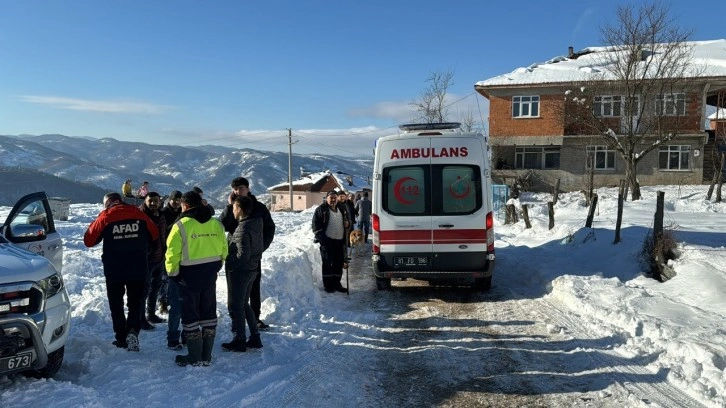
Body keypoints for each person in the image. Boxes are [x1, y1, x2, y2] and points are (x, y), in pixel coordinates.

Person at [83, 192, 159, 351]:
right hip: (138, 267)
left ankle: (121, 337)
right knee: (135, 303)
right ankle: (133, 331)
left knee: (116, 304)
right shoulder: (138, 213)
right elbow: (155, 234)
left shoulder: (106, 216)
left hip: (114, 269)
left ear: (107, 204)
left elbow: (89, 240)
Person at [165, 190, 227, 366]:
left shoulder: (181, 226)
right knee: (208, 313)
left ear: (184, 205)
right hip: (210, 275)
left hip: (188, 277)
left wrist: (173, 275)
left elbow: (171, 254)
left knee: (190, 314)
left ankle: (193, 356)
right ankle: (206, 355)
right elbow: (224, 249)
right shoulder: (216, 224)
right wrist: (216, 266)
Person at [219, 177, 276, 330]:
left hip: (253, 256)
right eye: (235, 189)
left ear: (248, 189)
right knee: (234, 291)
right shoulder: (232, 207)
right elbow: (221, 226)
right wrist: (228, 207)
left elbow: (270, 229)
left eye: (241, 188)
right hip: (235, 255)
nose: (238, 191)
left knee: (253, 289)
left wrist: (260, 247)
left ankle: (255, 319)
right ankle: (236, 322)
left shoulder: (259, 207)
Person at [221, 196, 264, 352]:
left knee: (237, 306)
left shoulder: (242, 228)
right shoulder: (256, 223)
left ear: (238, 209)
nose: (232, 210)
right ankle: (255, 336)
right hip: (253, 268)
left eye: (233, 207)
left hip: (241, 271)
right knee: (245, 304)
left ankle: (240, 339)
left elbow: (243, 255)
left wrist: (230, 262)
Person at [138, 192, 167, 330]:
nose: (154, 203)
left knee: (155, 288)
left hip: (159, 258)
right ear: (145, 200)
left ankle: (151, 314)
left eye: (156, 201)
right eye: (151, 201)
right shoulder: (140, 215)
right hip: (146, 260)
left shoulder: (160, 215)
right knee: (143, 290)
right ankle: (140, 318)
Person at [312, 190, 349, 293]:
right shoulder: (321, 210)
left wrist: (347, 224)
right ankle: (328, 286)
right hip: (327, 241)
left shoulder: (341, 208)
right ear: (327, 198)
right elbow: (315, 226)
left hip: (339, 241)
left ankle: (336, 284)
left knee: (338, 263)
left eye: (334, 197)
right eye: (331, 197)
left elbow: (347, 222)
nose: (333, 199)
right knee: (328, 264)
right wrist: (323, 240)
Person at [160, 190, 184, 349]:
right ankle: (162, 301)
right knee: (164, 279)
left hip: (180, 252)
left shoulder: (183, 213)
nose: (176, 202)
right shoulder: (164, 213)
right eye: (174, 200)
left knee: (173, 280)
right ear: (169, 200)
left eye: (178, 200)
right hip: (164, 251)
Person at [338, 191, 356, 258]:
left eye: (353, 197)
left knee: (350, 234)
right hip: (341, 227)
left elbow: (350, 212)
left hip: (349, 221)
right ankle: (348, 245)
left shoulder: (350, 204)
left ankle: (345, 256)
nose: (352, 198)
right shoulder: (346, 203)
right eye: (351, 197)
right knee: (345, 238)